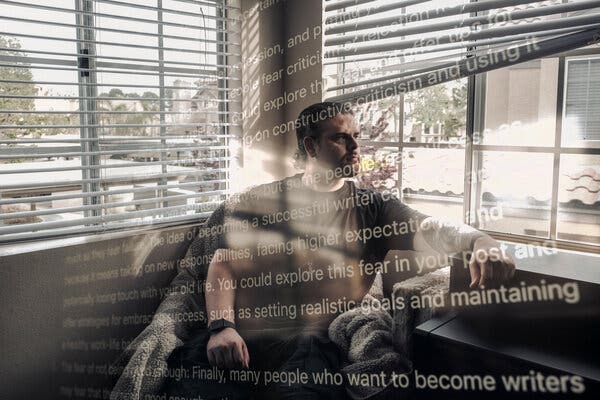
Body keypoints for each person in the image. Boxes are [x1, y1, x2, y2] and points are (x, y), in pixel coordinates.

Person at [164, 102, 516, 400]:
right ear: (312, 147)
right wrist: (221, 327)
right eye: (340, 137)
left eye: (356, 137)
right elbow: (223, 264)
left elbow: (432, 227)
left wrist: (481, 242)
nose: (355, 146)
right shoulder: (264, 200)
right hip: (244, 334)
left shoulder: (373, 208)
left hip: (310, 341)